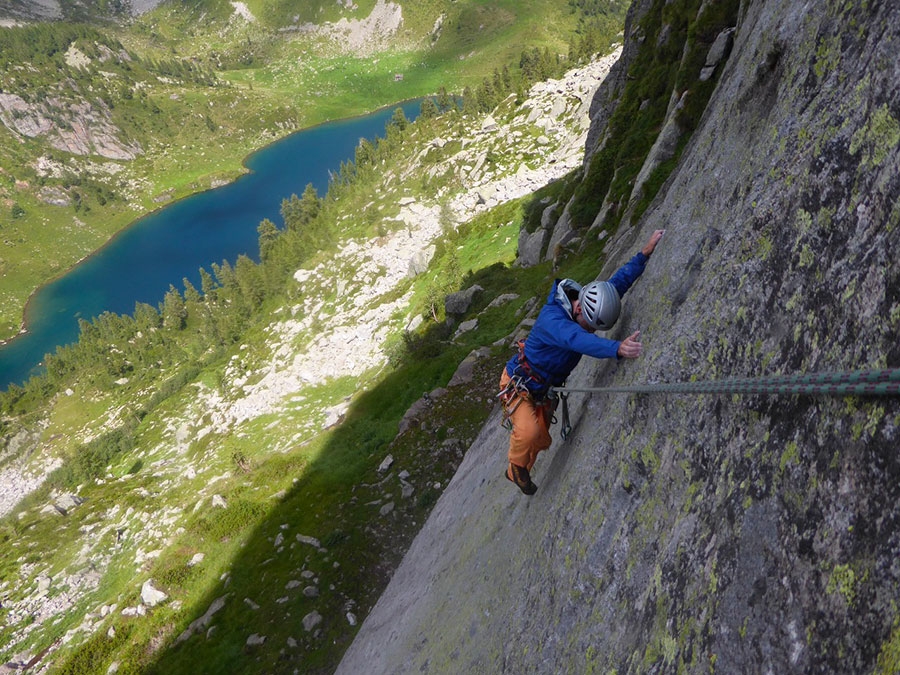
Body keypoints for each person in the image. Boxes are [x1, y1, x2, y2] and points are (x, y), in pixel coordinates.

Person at [499, 230, 665, 495]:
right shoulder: (553, 320)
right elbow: (577, 339)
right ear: (578, 310)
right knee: (530, 434)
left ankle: (519, 469)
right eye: (590, 326)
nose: (590, 331)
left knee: (540, 439)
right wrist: (617, 348)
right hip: (519, 382)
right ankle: (516, 469)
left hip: (543, 388)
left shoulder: (586, 301)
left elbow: (614, 287)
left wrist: (642, 255)